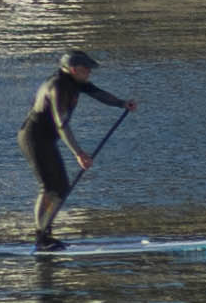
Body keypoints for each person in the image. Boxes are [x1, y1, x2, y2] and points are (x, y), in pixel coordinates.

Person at [23, 53, 136, 244]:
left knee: (61, 188)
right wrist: (79, 153)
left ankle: (45, 235)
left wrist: (121, 103)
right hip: (34, 139)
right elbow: (61, 123)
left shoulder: (75, 81)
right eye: (87, 69)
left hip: (47, 140)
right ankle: (41, 237)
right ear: (74, 69)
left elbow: (98, 93)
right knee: (50, 187)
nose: (90, 72)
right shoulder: (57, 86)